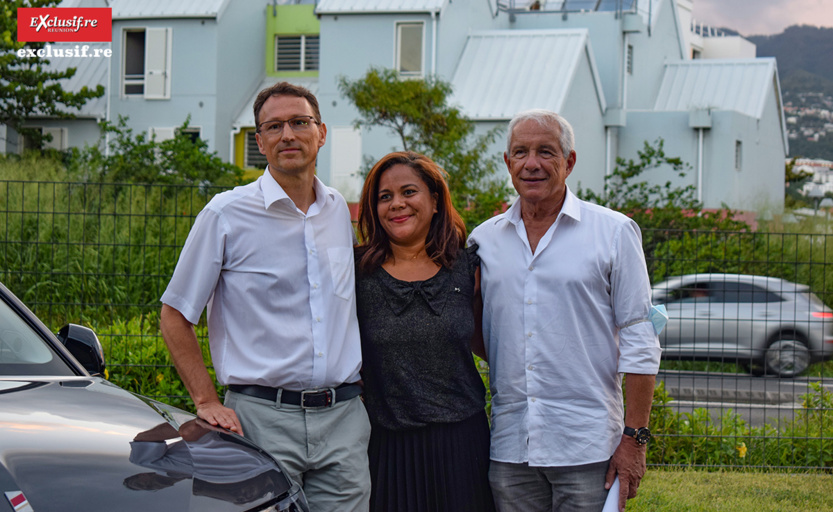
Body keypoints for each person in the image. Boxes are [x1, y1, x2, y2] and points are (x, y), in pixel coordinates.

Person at [160, 82, 370, 512]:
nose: (287, 135)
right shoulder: (225, 214)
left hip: (343, 420)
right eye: (274, 126)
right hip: (260, 420)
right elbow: (175, 314)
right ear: (260, 141)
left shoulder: (338, 212)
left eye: (299, 122)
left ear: (322, 132)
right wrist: (205, 400)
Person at [468, 110, 662, 512]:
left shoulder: (613, 232)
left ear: (569, 162)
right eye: (520, 152)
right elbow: (477, 330)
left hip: (588, 446)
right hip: (509, 446)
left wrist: (635, 438)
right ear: (507, 163)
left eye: (546, 152)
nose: (531, 163)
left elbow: (640, 339)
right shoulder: (484, 241)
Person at [354, 151, 495, 512]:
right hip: (387, 446)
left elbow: (489, 343)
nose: (397, 204)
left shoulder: (468, 268)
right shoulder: (355, 271)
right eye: (384, 197)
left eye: (408, 192)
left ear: (435, 200)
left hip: (462, 444)